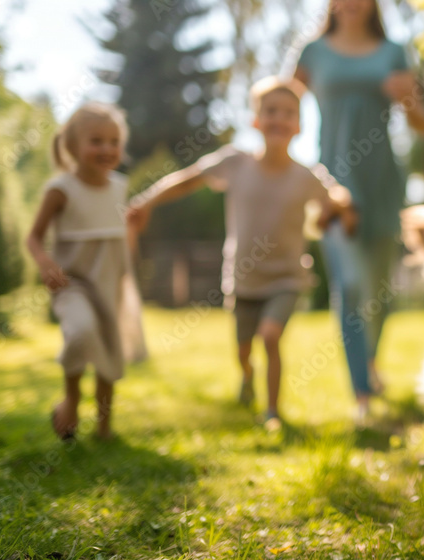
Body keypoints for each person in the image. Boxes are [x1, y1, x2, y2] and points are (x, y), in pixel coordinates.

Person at [126, 77, 355, 430]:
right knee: (244, 349)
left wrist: (338, 206)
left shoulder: (307, 175)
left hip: (287, 278)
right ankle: (247, 378)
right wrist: (147, 201)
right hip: (244, 278)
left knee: (271, 335)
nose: (279, 118)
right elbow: (189, 178)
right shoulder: (235, 162)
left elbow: (337, 197)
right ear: (256, 121)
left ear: (299, 125)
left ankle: (273, 412)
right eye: (270, 111)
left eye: (288, 113)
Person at [294, 0, 424, 420]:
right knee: (351, 286)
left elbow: (422, 123)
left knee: (378, 290)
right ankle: (361, 395)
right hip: (333, 185)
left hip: (385, 181)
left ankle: (370, 363)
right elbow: (281, 100)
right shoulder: (312, 53)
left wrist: (407, 100)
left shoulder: (394, 51)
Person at [27, 102, 147, 441]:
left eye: (114, 141)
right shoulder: (61, 189)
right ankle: (71, 400)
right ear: (72, 146)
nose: (107, 149)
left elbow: (122, 245)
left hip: (110, 283)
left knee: (110, 356)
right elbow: (33, 237)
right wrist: (46, 264)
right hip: (72, 283)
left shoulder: (120, 188)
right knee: (80, 333)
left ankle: (104, 428)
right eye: (96, 141)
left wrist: (135, 229)